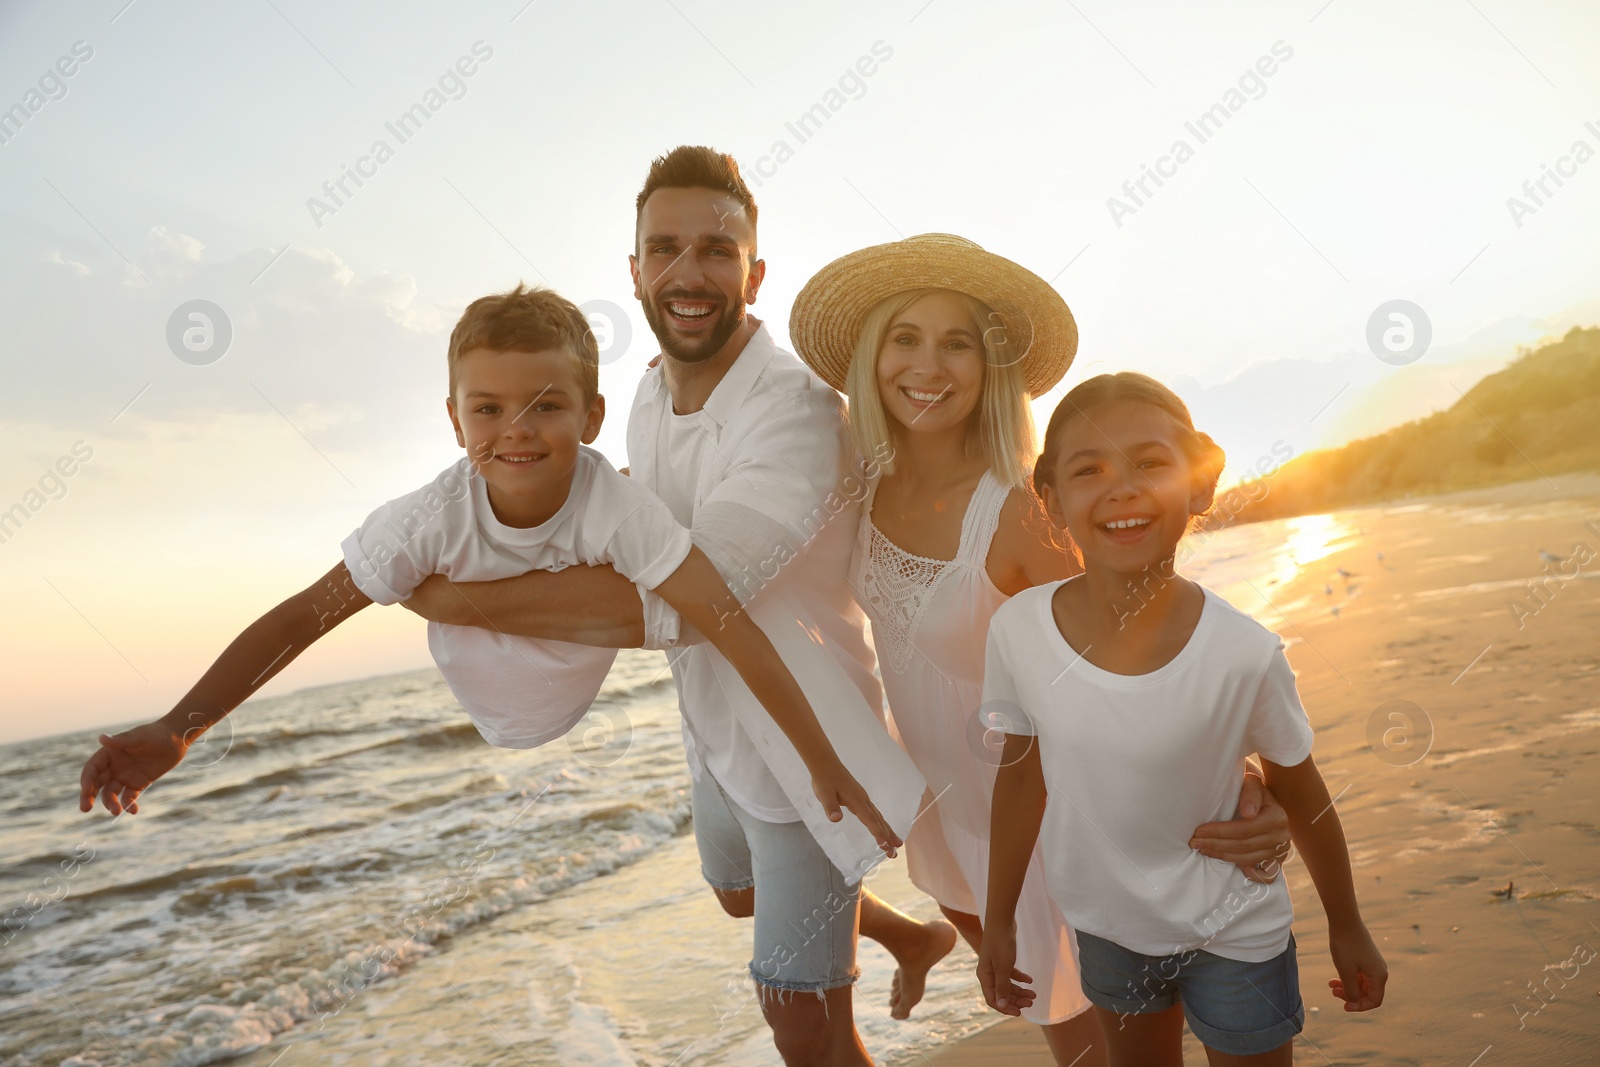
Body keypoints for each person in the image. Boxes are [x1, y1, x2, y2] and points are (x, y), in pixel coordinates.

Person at [397, 147, 946, 1067]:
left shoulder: (794, 413)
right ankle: (909, 933)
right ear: (636, 270)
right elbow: (622, 527)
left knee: (801, 1021)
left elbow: (692, 601)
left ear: (754, 272)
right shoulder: (649, 391)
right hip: (711, 723)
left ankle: (850, 937)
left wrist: (462, 597)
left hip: (799, 739)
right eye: (665, 248)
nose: (689, 273)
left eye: (717, 251)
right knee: (735, 889)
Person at [76, 283, 900, 863]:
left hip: (568, 671)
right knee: (407, 574)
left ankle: (894, 932)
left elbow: (723, 616)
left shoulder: (614, 504)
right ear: (453, 417)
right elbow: (302, 616)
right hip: (482, 694)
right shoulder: (428, 516)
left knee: (739, 883)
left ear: (592, 416)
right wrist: (180, 727)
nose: (518, 431)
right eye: (488, 408)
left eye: (546, 404)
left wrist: (820, 757)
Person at [789, 236, 1294, 1065]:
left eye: (959, 341)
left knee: (1095, 1043)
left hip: (1049, 809)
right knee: (1079, 1034)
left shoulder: (1018, 509)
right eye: (905, 337)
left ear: (990, 367)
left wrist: (1242, 780)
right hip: (949, 810)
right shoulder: (861, 482)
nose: (930, 363)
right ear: (872, 355)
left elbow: (1133, 648)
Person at [978, 373, 1388, 1065]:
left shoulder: (1244, 652)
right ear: (1050, 500)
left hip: (1236, 930)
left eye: (1150, 462)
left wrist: (1347, 924)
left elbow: (1301, 789)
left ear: (1200, 484)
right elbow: (1021, 780)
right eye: (1090, 469)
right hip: (1107, 928)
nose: (1122, 487)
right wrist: (999, 921)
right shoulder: (1018, 630)